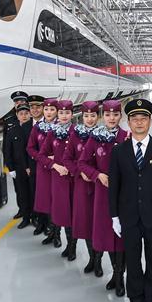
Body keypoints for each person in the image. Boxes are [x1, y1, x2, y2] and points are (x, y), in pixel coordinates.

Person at [108, 98, 152, 302]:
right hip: (128, 216)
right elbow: (114, 187)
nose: (139, 122)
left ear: (150, 121)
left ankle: (151, 299)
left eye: (143, 118)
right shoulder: (118, 152)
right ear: (128, 122)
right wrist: (114, 216)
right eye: (135, 119)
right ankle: (134, 298)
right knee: (133, 260)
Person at [79, 100, 128, 296]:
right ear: (102, 117)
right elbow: (83, 163)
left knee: (121, 236)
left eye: (115, 115)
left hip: (124, 195)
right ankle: (115, 274)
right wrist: (97, 175)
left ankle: (120, 276)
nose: (111, 118)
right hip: (102, 194)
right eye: (108, 115)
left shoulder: (127, 137)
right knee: (108, 234)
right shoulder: (95, 138)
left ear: (120, 116)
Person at [67, 100, 102, 275]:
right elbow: (67, 159)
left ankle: (100, 260)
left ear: (98, 116)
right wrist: (78, 172)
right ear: (81, 117)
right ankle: (93, 259)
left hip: (101, 186)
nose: (89, 119)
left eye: (93, 115)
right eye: (86, 116)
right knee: (87, 223)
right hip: (82, 186)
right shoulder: (75, 135)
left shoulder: (105, 135)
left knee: (100, 224)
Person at [42, 100, 76, 258]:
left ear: (72, 114)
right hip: (58, 179)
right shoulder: (52, 132)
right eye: (61, 113)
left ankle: (72, 247)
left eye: (67, 113)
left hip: (75, 179)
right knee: (60, 210)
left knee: (74, 213)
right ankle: (60, 238)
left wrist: (72, 167)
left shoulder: (78, 131)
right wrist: (55, 165)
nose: (64, 116)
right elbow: (42, 155)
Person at [27, 98, 59, 243]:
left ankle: (57, 236)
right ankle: (51, 233)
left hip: (59, 170)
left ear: (57, 111)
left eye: (52, 109)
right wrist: (42, 157)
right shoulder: (37, 128)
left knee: (58, 203)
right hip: (43, 170)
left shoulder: (62, 126)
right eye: (46, 109)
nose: (49, 112)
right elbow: (30, 148)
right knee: (47, 201)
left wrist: (56, 157)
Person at [3, 103, 34, 229]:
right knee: (22, 193)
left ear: (30, 114)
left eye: (26, 113)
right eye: (21, 114)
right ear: (17, 115)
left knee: (33, 193)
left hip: (31, 167)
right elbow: (7, 150)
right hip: (18, 168)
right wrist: (11, 168)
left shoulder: (34, 129)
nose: (24, 116)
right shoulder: (12, 130)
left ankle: (36, 216)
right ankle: (26, 217)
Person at [24, 95, 45, 225]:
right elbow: (23, 149)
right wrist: (26, 166)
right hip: (32, 167)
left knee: (47, 196)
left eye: (38, 106)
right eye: (32, 107)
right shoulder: (25, 125)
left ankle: (50, 226)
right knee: (34, 194)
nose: (35, 110)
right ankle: (38, 222)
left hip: (46, 167)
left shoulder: (49, 124)